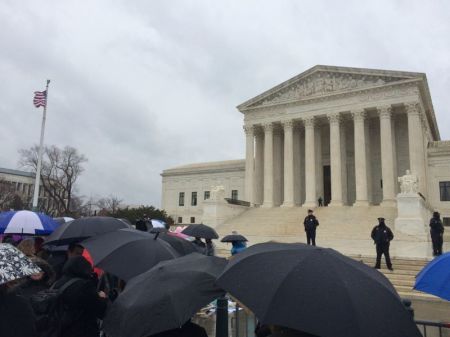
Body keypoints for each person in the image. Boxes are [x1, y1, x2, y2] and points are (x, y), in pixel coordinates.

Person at [52, 256, 107, 337]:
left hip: (60, 330)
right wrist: (102, 298)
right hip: (81, 330)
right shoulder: (84, 286)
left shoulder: (57, 283)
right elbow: (100, 309)